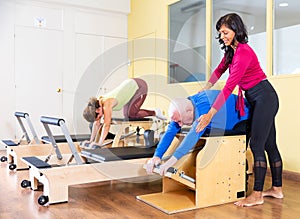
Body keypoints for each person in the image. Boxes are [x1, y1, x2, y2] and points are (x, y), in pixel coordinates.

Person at [196, 13, 283, 207]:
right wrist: (205, 88)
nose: (222, 36)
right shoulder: (231, 52)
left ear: (236, 30)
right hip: (260, 100)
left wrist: (210, 114)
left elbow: (229, 87)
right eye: (220, 33)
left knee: (257, 146)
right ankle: (277, 189)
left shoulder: (243, 52)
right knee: (269, 145)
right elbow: (218, 71)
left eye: (225, 32)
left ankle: (257, 194)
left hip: (265, 98)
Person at [146, 89, 250, 176]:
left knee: (234, 155)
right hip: (223, 122)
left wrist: (169, 163)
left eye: (180, 121)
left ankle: (241, 182)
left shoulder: (204, 106)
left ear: (189, 111)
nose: (180, 125)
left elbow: (193, 134)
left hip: (244, 119)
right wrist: (157, 156)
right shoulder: (183, 109)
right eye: (178, 121)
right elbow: (170, 132)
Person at [83, 78, 166, 147]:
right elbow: (96, 124)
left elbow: (106, 125)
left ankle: (155, 112)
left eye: (99, 116)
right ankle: (153, 112)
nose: (100, 118)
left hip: (139, 86)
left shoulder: (106, 104)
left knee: (132, 114)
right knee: (127, 115)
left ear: (97, 110)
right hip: (130, 88)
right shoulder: (97, 105)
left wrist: (100, 143)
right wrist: (91, 141)